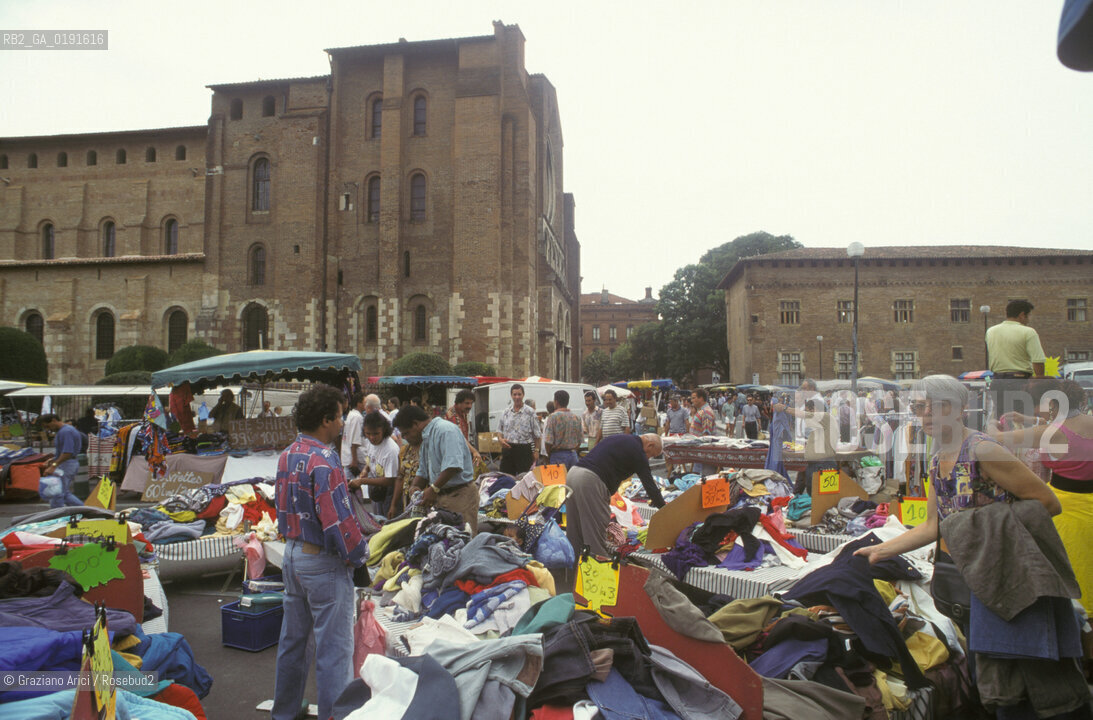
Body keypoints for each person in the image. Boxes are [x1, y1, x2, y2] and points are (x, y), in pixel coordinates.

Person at [853, 374, 1060, 564]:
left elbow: (1049, 503)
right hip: (973, 571)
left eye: (939, 405)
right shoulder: (936, 462)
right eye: (919, 406)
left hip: (1007, 569)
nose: (927, 413)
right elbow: (932, 526)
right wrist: (879, 551)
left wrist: (992, 531)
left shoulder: (982, 451)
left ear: (961, 409)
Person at [272, 384, 369, 720]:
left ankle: (283, 713)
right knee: (334, 652)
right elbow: (338, 521)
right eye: (340, 417)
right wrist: (359, 556)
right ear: (326, 419)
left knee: (293, 645)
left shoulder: (288, 453)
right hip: (322, 564)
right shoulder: (325, 459)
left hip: (292, 556)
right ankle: (334, 715)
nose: (343, 424)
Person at [989, 379, 1093, 616]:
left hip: (1065, 511)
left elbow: (998, 439)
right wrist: (1028, 421)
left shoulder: (1052, 432)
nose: (1037, 410)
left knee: (1075, 574)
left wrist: (992, 424)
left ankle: (1083, 641)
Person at [566, 433, 665, 558]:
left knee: (574, 533)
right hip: (590, 481)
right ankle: (596, 574)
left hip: (573, 474)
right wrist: (664, 508)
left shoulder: (622, 438)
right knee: (594, 535)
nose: (649, 458)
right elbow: (649, 484)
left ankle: (572, 575)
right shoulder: (638, 451)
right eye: (652, 455)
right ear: (650, 445)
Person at [394, 405, 478, 533]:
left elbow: (453, 465)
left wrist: (433, 489)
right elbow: (423, 471)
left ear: (415, 424)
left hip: (459, 496)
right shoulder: (425, 439)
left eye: (406, 433)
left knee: (462, 540)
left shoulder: (445, 430)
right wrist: (414, 486)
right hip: (441, 498)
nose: (405, 438)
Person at [985, 300, 1047, 422]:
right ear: (1022, 315)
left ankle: (1001, 441)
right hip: (1020, 382)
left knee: (1002, 421)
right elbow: (1038, 361)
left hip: (997, 382)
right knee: (1022, 421)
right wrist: (1039, 383)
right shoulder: (1028, 332)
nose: (1028, 320)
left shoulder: (991, 331)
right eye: (1028, 316)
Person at [351, 411, 402, 516]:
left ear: (383, 430)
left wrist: (362, 481)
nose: (371, 438)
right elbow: (371, 459)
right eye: (368, 434)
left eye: (376, 434)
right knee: (378, 519)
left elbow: (390, 480)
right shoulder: (370, 443)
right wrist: (366, 469)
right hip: (376, 490)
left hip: (390, 493)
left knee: (388, 522)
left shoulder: (390, 450)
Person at [39, 414, 84, 508]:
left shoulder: (66, 431)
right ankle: (85, 511)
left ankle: (57, 516)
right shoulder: (64, 431)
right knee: (63, 492)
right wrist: (53, 460)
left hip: (66, 465)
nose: (48, 429)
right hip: (67, 463)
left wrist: (54, 465)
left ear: (54, 420)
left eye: (47, 426)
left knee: (57, 493)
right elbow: (64, 452)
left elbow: (67, 452)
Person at [496, 384, 540, 475]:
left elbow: (537, 435)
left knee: (524, 479)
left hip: (524, 450)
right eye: (514, 394)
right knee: (506, 478)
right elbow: (499, 430)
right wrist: (500, 439)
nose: (517, 397)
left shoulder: (530, 412)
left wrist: (536, 451)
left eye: (519, 394)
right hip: (508, 449)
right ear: (511, 395)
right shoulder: (506, 412)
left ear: (523, 395)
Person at [543, 389, 583, 468]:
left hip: (557, 455)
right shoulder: (576, 417)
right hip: (573, 455)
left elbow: (548, 441)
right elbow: (580, 441)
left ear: (556, 402)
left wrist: (549, 454)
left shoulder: (553, 417)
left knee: (559, 480)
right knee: (571, 480)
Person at [445, 388, 483, 466]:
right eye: (467, 403)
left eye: (471, 403)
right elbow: (460, 437)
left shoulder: (463, 412)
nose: (470, 406)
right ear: (459, 403)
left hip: (460, 452)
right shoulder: (453, 415)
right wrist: (474, 451)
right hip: (452, 455)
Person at [688, 388, 719, 476]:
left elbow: (706, 435)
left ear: (701, 398)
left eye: (694, 398)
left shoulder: (706, 412)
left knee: (702, 476)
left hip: (703, 452)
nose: (692, 400)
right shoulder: (701, 411)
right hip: (699, 450)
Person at [340, 391, 366, 482]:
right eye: (364, 402)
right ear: (359, 403)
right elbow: (355, 441)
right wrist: (354, 460)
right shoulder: (357, 417)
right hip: (355, 460)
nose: (366, 404)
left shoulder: (352, 415)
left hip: (350, 457)